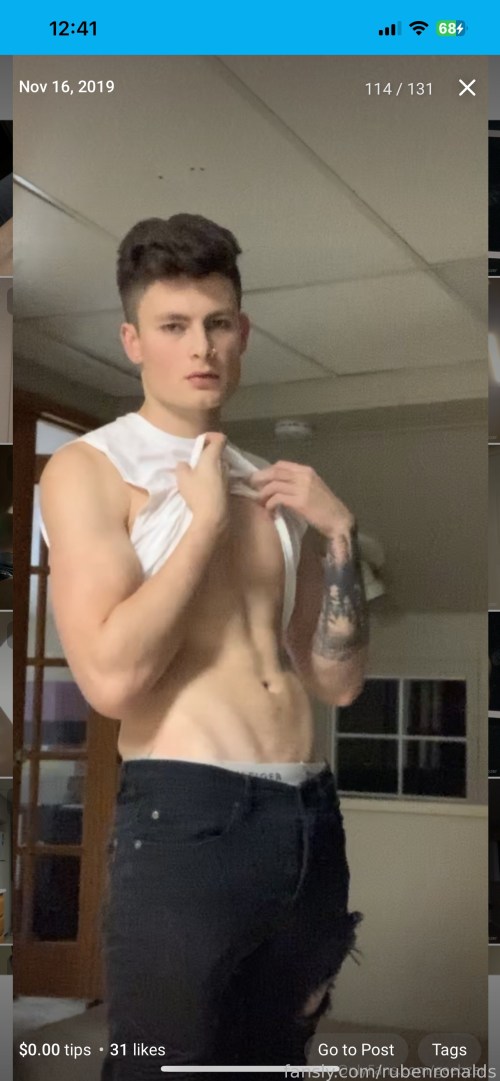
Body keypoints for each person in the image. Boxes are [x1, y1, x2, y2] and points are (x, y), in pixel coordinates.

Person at [40, 214, 369, 1080]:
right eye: (174, 324)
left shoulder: (272, 484)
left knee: (275, 1061)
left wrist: (338, 535)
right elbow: (112, 679)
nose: (201, 346)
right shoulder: (91, 468)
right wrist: (203, 528)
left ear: (243, 332)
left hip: (308, 816)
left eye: (218, 322)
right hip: (189, 816)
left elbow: (336, 680)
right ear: (133, 341)